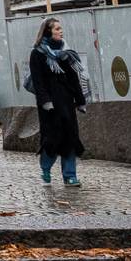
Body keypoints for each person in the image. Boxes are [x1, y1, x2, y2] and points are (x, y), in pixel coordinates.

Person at [27, 16, 88, 186]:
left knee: (70, 138)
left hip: (66, 101)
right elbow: (38, 81)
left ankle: (70, 175)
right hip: (49, 106)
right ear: (48, 31)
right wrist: (46, 101)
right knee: (52, 139)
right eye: (57, 29)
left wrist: (80, 100)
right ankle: (46, 169)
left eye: (61, 29)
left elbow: (74, 78)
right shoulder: (37, 53)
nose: (61, 32)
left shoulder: (66, 53)